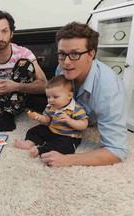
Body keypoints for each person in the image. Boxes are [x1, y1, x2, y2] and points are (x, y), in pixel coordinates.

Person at [38, 21, 128, 167]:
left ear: (91, 54)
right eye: (62, 54)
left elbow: (117, 150)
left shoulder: (110, 90)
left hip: (88, 121)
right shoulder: (61, 71)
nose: (66, 62)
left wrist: (67, 160)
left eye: (75, 54)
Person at [14, 75, 88, 158]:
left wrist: (70, 121)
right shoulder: (51, 106)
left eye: (55, 97)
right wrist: (39, 117)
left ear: (69, 96)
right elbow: (47, 120)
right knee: (37, 130)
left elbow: (84, 125)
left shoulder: (76, 109)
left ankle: (41, 150)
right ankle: (28, 143)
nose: (51, 100)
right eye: (48, 97)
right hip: (52, 130)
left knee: (64, 146)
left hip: (68, 136)